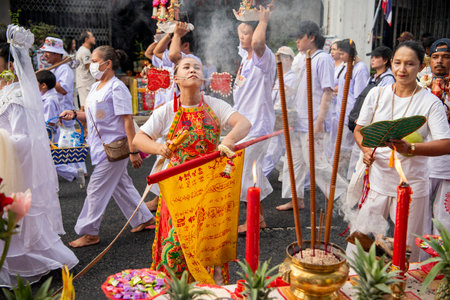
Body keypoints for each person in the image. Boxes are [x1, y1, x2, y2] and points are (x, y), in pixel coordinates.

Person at [133, 56, 251, 282]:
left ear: (204, 79)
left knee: (207, 243)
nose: (192, 70)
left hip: (209, 188)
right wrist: (160, 148)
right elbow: (139, 139)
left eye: (197, 67)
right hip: (178, 191)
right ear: (176, 79)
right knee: (177, 245)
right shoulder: (167, 110)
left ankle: (210, 292)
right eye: (186, 67)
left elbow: (244, 124)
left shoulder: (216, 106)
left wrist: (229, 140)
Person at [348, 41, 450, 261]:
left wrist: (410, 148)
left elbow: (445, 143)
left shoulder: (431, 103)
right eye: (397, 63)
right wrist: (366, 151)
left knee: (407, 249)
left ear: (421, 66)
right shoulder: (377, 94)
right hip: (378, 180)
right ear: (391, 62)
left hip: (411, 183)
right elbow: (359, 130)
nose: (402, 70)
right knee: (361, 244)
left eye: (410, 64)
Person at [0, 25, 78, 286]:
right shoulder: (3, 93)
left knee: (19, 222)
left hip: (13, 167)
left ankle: (38, 264)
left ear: (10, 64)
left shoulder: (16, 97)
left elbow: (23, 138)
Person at [60, 45, 155, 248]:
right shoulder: (96, 87)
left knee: (95, 188)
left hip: (115, 148)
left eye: (94, 61)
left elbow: (127, 121)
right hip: (99, 147)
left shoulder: (117, 87)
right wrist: (75, 114)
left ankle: (89, 231)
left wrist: (134, 150)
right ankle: (144, 219)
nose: (91, 65)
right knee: (122, 186)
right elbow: (92, 116)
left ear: (108, 63)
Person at [277, 21, 348, 211]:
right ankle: (295, 198)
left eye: (300, 37)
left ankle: (347, 197)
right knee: (294, 163)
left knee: (316, 164)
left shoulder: (322, 58)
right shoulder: (304, 59)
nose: (297, 41)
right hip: (299, 120)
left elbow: (327, 91)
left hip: (313, 121)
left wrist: (319, 121)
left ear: (312, 37)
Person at [233, 6, 276, 231]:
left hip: (257, 124)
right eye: (240, 31)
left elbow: (259, 43)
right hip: (244, 125)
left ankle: (255, 220)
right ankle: (256, 218)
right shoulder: (245, 57)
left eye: (247, 32)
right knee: (252, 170)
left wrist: (263, 21)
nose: (242, 36)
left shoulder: (264, 56)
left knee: (248, 170)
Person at [41, 37, 87, 184]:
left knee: (69, 141)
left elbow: (63, 89)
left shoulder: (64, 69)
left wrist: (46, 80)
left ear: (57, 54)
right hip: (55, 110)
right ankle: (71, 171)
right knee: (60, 143)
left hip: (64, 110)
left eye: (48, 52)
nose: (45, 55)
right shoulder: (54, 68)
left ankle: (81, 170)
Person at [36, 70, 86, 188]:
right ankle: (74, 173)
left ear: (44, 85)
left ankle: (58, 186)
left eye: (36, 83)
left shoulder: (49, 100)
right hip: (47, 134)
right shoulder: (47, 96)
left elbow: (50, 122)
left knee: (52, 162)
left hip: (49, 135)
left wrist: (47, 137)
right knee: (51, 162)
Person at [423, 38, 450, 236]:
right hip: (422, 159)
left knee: (444, 217)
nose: (440, 61)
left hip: (447, 163)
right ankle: (416, 262)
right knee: (418, 216)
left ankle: (439, 264)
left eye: (446, 57)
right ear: (429, 60)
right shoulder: (418, 84)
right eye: (435, 56)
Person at [333, 39, 369, 179]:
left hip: (350, 114)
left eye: (342, 53)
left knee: (347, 149)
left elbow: (359, 96)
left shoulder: (360, 68)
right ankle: (339, 177)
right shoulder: (346, 65)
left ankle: (347, 179)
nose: (340, 56)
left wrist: (353, 117)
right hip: (340, 112)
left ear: (350, 52)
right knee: (340, 147)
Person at [262, 46, 296, 177]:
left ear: (288, 59)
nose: (278, 61)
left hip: (282, 115)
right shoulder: (281, 76)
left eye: (281, 58)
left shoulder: (292, 77)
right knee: (276, 147)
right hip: (275, 114)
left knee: (275, 148)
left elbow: (285, 99)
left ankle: (262, 177)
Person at [75, 31, 96, 112]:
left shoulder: (83, 50)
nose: (94, 38)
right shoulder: (85, 51)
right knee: (85, 108)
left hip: (85, 83)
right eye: (92, 37)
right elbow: (89, 67)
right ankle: (83, 124)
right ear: (86, 39)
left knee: (86, 107)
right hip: (85, 84)